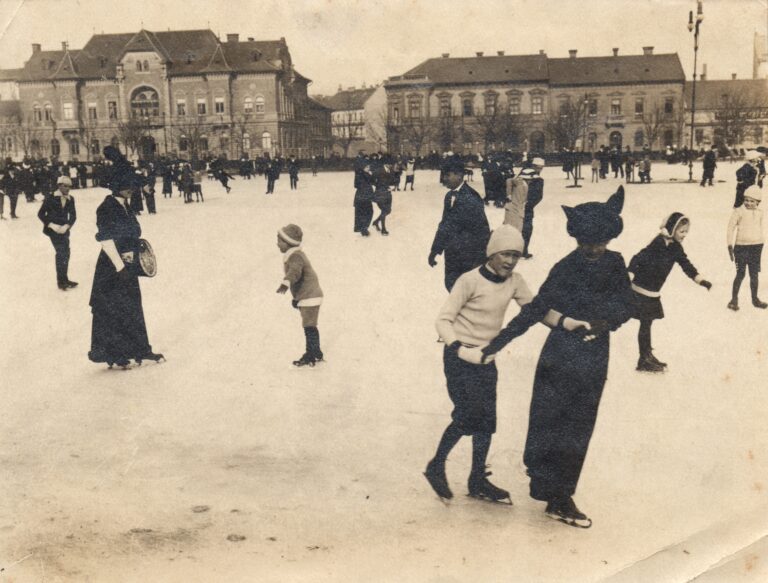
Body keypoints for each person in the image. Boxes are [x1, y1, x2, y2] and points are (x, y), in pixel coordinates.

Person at [480, 187, 633, 528]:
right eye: (587, 243)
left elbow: (627, 305)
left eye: (601, 242)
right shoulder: (566, 266)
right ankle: (549, 487)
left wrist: (604, 324)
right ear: (577, 239)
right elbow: (536, 309)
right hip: (561, 354)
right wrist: (497, 342)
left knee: (580, 424)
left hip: (595, 354)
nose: (594, 249)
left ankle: (561, 495)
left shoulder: (615, 262)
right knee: (549, 421)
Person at [425, 225, 533, 504]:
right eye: (505, 254)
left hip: (486, 359)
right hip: (459, 357)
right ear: (492, 253)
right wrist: (459, 348)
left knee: (486, 422)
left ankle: (477, 479)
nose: (510, 261)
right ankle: (436, 465)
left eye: (516, 256)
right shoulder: (469, 280)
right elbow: (443, 319)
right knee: (467, 415)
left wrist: (567, 322)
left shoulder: (515, 281)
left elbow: (537, 310)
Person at [88, 147, 164, 369]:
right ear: (115, 187)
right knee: (112, 310)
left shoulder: (125, 206)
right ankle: (114, 353)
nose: (130, 190)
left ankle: (140, 349)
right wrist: (120, 267)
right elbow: (105, 239)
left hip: (128, 266)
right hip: (111, 268)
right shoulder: (106, 207)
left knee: (132, 308)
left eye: (131, 186)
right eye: (125, 186)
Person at [628, 213, 712, 372]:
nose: (685, 235)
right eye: (682, 231)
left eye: (687, 231)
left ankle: (646, 355)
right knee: (645, 324)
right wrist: (630, 273)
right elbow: (639, 257)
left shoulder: (676, 248)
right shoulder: (658, 242)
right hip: (641, 289)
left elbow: (686, 264)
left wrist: (700, 279)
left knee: (647, 323)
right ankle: (644, 359)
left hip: (653, 291)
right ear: (672, 229)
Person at [428, 156, 490, 291]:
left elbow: (482, 229)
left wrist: (479, 260)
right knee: (451, 287)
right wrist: (435, 250)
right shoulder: (449, 196)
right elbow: (444, 225)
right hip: (452, 256)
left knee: (465, 293)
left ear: (459, 175)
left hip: (468, 257)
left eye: (447, 175)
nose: (444, 179)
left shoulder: (472, 197)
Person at [276, 224, 324, 367]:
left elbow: (295, 272)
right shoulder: (295, 255)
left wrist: (286, 283)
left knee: (309, 327)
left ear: (288, 242)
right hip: (308, 295)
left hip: (310, 296)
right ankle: (316, 352)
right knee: (310, 326)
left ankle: (311, 354)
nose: (277, 243)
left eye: (279, 240)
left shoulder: (295, 256)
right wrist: (296, 299)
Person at [727, 185, 766, 310]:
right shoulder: (739, 211)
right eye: (746, 200)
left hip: (756, 246)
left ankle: (755, 299)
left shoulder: (760, 213)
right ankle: (734, 300)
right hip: (741, 247)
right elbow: (730, 228)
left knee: (754, 274)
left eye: (752, 201)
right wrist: (729, 245)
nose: (748, 203)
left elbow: (759, 227)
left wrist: (761, 242)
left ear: (758, 202)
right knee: (741, 273)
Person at [38, 176, 78, 290]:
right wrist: (51, 225)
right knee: (61, 253)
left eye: (70, 187)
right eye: (65, 186)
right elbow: (41, 214)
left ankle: (64, 279)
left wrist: (67, 225)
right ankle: (61, 282)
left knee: (66, 253)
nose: (68, 189)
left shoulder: (71, 198)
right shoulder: (50, 197)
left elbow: (74, 215)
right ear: (59, 185)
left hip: (64, 230)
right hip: (53, 231)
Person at [521, 158, 545, 259]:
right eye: (539, 168)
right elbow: (538, 196)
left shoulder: (521, 174)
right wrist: (528, 205)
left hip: (517, 207)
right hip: (527, 209)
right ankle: (523, 251)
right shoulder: (539, 180)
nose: (540, 170)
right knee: (526, 229)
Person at [353, 152, 374, 237]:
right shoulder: (360, 175)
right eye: (367, 167)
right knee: (364, 212)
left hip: (365, 196)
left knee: (367, 212)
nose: (369, 168)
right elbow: (356, 185)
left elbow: (373, 182)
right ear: (363, 167)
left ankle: (363, 228)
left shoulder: (366, 174)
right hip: (362, 196)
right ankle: (363, 229)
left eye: (369, 167)